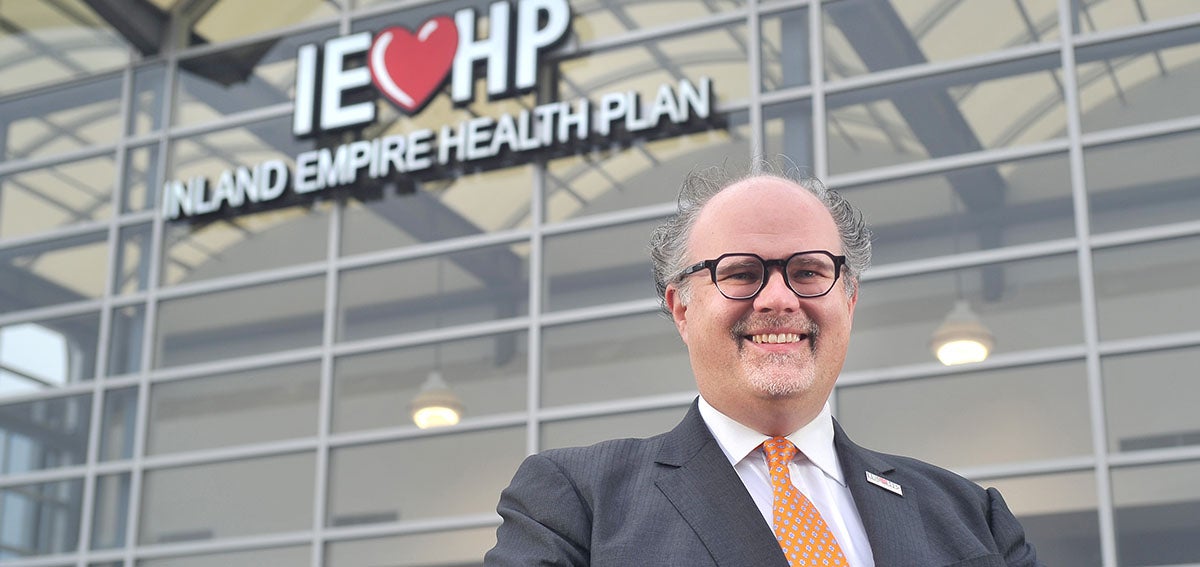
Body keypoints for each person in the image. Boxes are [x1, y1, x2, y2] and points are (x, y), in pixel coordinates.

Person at [484, 163, 1042, 566]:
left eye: (808, 271)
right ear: (681, 307)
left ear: (848, 301)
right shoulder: (577, 503)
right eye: (741, 272)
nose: (779, 298)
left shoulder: (972, 518)